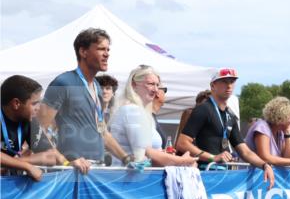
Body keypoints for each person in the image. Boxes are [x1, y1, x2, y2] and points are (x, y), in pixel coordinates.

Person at [38, 28, 129, 163]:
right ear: (83, 52)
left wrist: (126, 158)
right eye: (100, 49)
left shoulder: (97, 87)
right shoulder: (63, 82)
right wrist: (64, 162)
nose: (106, 54)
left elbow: (102, 132)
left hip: (96, 168)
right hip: (71, 171)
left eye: (108, 50)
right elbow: (38, 131)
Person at [175, 68, 275, 189]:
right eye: (224, 82)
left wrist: (264, 165)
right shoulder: (203, 109)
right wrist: (213, 157)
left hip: (223, 174)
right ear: (213, 85)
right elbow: (182, 143)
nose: (229, 86)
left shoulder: (230, 115)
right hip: (204, 173)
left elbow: (245, 151)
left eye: (232, 82)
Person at [2, 75, 89, 180]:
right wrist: (26, 166)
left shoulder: (29, 121)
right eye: (34, 104)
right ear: (16, 103)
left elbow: (52, 156)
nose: (38, 108)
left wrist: (68, 164)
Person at [109, 66, 197, 168]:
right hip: (130, 180)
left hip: (141, 178)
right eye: (150, 84)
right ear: (133, 85)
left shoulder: (141, 112)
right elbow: (146, 153)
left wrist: (165, 154)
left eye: (157, 85)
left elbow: (149, 153)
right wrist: (181, 161)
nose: (155, 89)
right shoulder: (132, 110)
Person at [244, 97, 290, 169]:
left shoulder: (280, 132)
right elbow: (265, 157)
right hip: (249, 176)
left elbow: (289, 157)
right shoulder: (262, 126)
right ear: (281, 117)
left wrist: (287, 135)